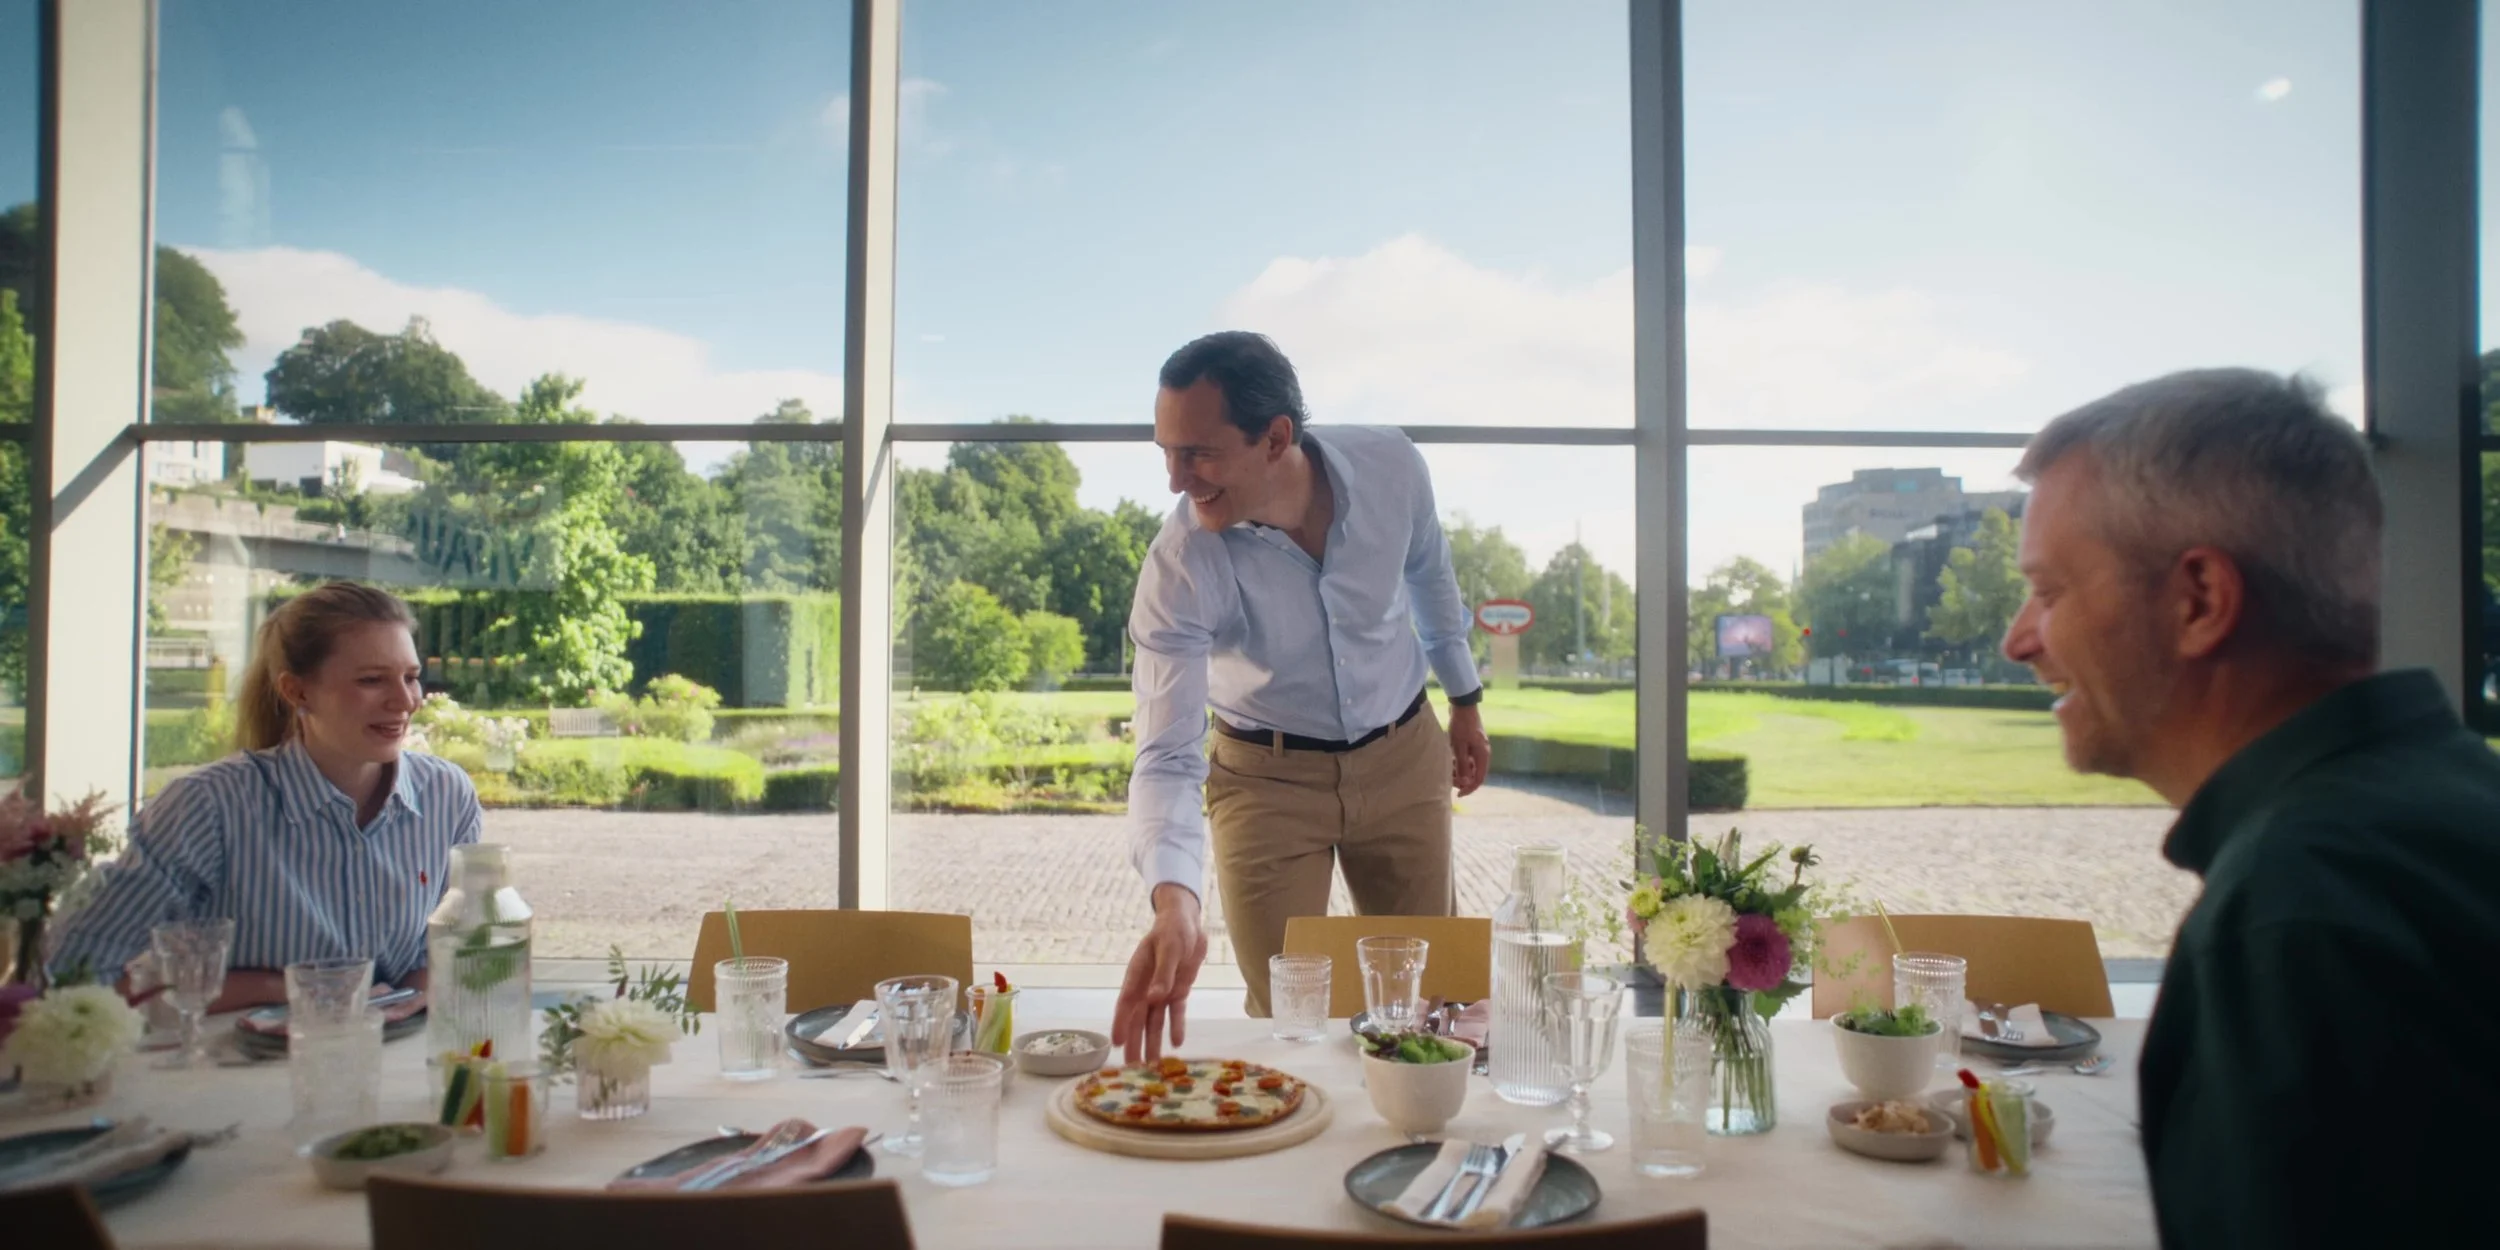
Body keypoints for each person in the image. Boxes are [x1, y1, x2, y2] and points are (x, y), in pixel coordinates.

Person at [1999, 368, 2499, 1247]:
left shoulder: (2299, 910)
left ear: (2200, 599)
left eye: (2049, 592)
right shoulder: (2450, 809)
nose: (2018, 640)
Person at [1113, 331, 1491, 1061]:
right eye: (1166, 452)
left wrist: (1465, 699)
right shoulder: (1182, 562)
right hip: (1264, 779)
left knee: (1430, 1005)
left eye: (1197, 453)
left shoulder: (1391, 467)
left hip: (1403, 751)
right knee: (1285, 1020)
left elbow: (1431, 580)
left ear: (1276, 437)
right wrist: (1174, 900)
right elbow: (1165, 755)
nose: (1175, 479)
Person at [52, 581, 481, 1012]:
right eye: (371, 680)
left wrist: (412, 994)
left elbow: (454, 949)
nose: (405, 701)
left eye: (411, 677)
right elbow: (79, 973)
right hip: (234, 1071)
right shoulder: (206, 808)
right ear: (296, 691)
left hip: (390, 1064)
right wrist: (289, 989)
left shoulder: (448, 796)